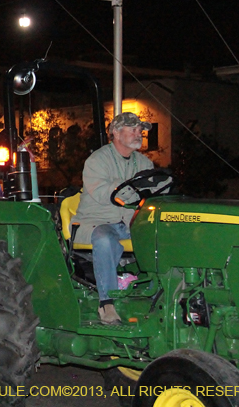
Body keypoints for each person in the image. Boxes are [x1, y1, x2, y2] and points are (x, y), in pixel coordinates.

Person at [72, 112, 154, 325]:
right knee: (104, 237)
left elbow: (151, 191)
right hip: (98, 221)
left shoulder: (145, 163)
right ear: (115, 133)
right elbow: (105, 192)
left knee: (162, 234)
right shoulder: (97, 161)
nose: (139, 134)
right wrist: (133, 190)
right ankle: (106, 303)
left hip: (131, 224)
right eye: (133, 129)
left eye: (140, 130)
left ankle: (157, 294)